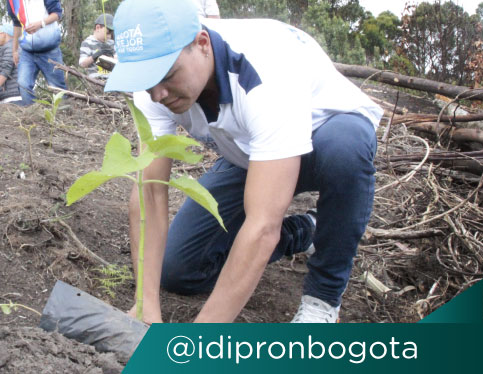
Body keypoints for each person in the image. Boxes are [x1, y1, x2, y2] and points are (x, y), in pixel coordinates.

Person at [104, 0, 383, 324]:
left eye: (167, 76)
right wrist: (145, 305)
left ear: (202, 44)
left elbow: (262, 224)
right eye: (147, 81)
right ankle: (305, 231)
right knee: (177, 269)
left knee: (345, 152)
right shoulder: (154, 85)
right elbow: (150, 192)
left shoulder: (265, 69)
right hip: (253, 154)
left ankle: (322, 298)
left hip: (323, 138)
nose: (159, 94)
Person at [6, 0, 68, 106]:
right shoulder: (12, 1)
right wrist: (15, 50)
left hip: (49, 49)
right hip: (27, 51)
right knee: (23, 85)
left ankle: (64, 116)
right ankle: (34, 112)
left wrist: (41, 23)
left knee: (58, 88)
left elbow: (57, 14)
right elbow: (16, 24)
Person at [0, 23, 21, 103]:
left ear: (5, 34)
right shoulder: (13, 47)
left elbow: (6, 71)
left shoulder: (10, 48)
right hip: (12, 96)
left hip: (13, 97)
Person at [78, 13, 115, 78]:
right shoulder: (87, 43)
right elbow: (82, 64)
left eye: (111, 34)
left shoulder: (112, 43)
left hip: (111, 79)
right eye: (107, 33)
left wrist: (112, 55)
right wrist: (97, 54)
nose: (109, 36)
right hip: (95, 80)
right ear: (98, 28)